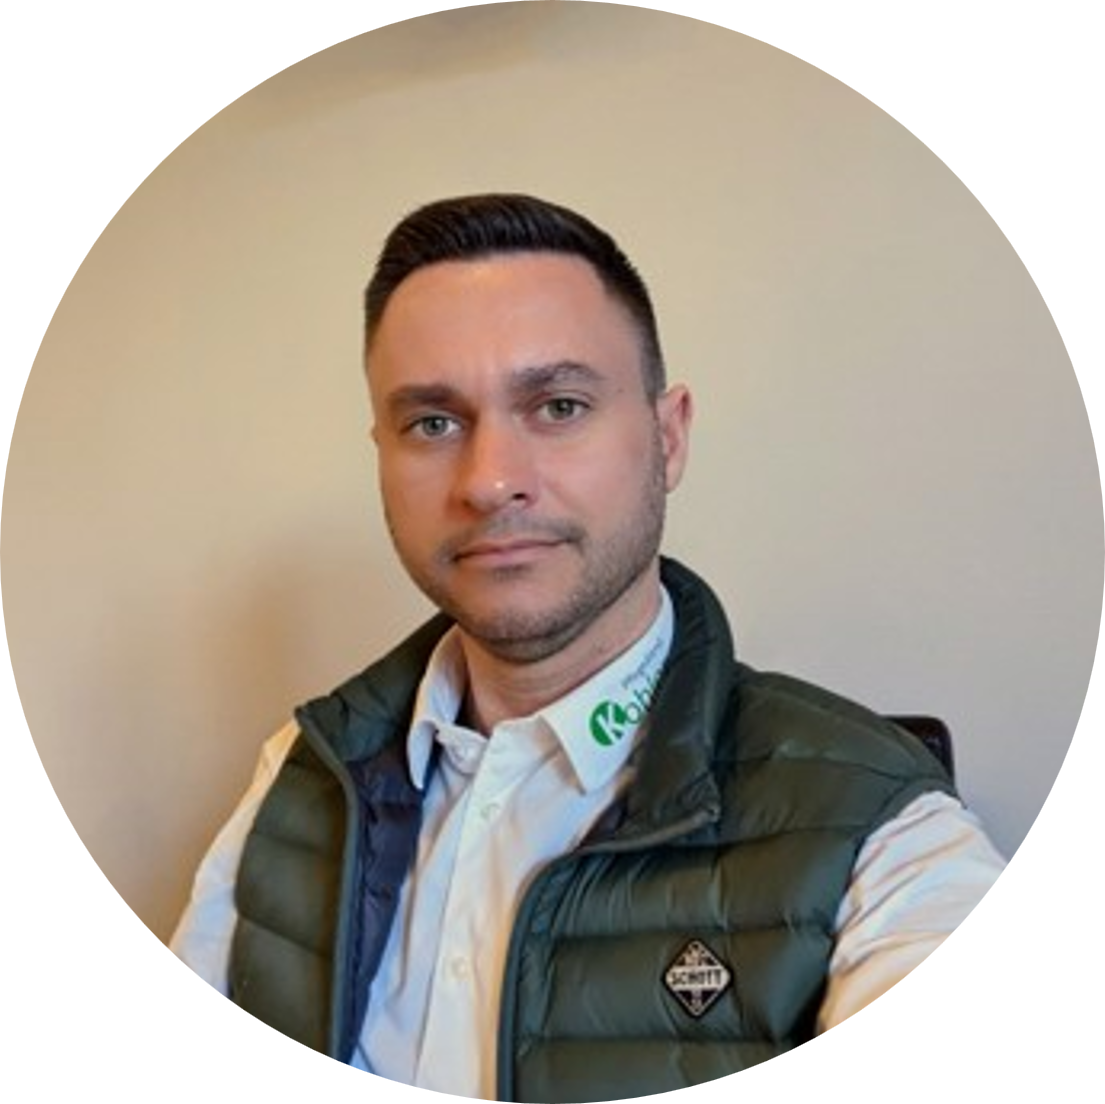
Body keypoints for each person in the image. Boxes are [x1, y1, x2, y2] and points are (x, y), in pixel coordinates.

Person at [171, 193, 1005, 1099]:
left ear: (668, 438)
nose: (489, 481)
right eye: (432, 423)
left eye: (558, 406)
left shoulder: (879, 823)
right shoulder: (299, 776)